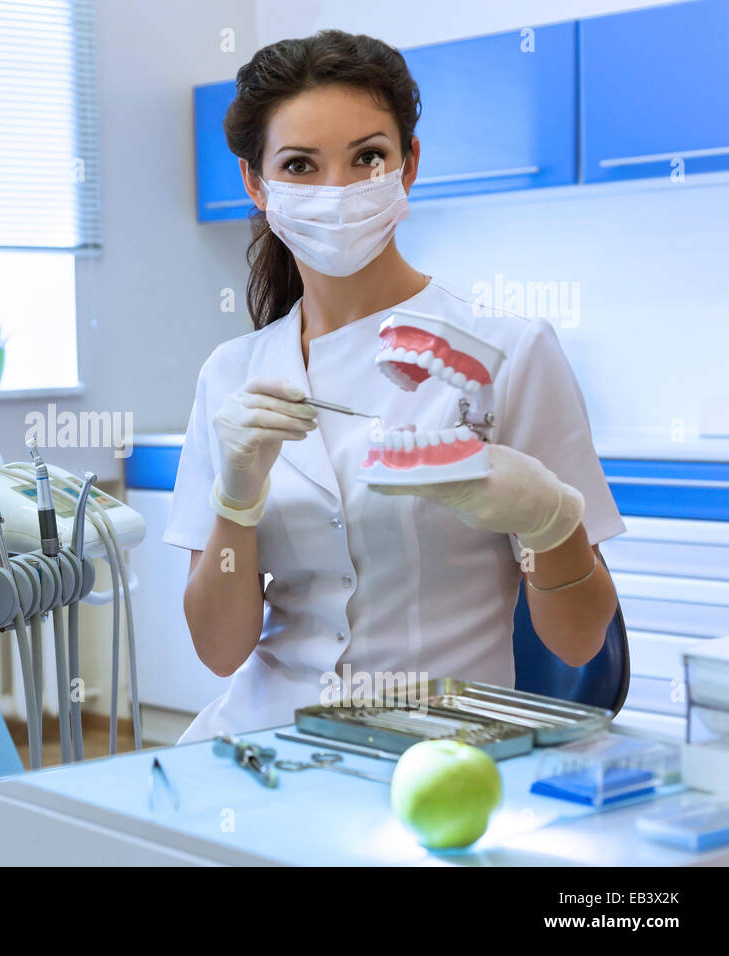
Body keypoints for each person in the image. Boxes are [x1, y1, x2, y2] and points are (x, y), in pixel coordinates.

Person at [164, 30, 624, 744]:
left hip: (436, 753)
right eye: (300, 165)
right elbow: (220, 651)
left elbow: (577, 642)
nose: (338, 192)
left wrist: (549, 522)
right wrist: (235, 501)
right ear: (257, 185)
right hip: (263, 743)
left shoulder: (507, 351)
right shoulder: (232, 374)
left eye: (368, 157)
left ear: (407, 166)